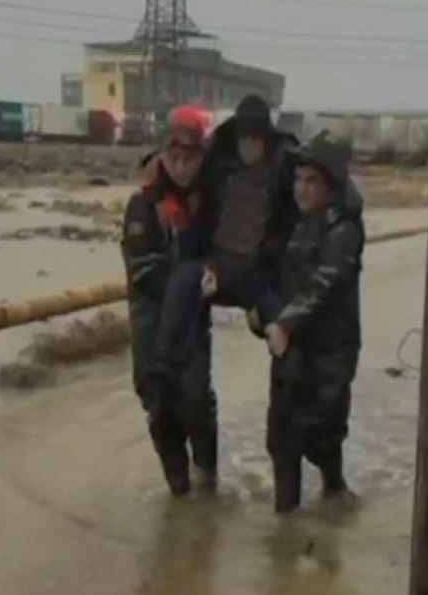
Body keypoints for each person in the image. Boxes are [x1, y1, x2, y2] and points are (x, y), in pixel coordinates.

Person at [153, 94, 300, 372]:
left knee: (283, 326)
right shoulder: (219, 153)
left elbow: (322, 185)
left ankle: (292, 386)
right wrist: (166, 199)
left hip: (260, 271)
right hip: (218, 263)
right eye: (245, 139)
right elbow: (170, 169)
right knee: (182, 282)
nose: (249, 147)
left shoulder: (285, 161)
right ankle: (163, 362)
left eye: (255, 140)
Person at [259, 136, 364, 514]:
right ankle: (285, 522)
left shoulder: (344, 230)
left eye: (311, 181)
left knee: (321, 434)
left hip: (330, 350)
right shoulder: (295, 224)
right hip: (292, 348)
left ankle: (335, 495)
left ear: (330, 185)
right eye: (298, 179)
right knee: (281, 437)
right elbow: (270, 276)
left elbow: (323, 283)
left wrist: (285, 324)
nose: (301, 189)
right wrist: (263, 314)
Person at [121, 104, 219, 496]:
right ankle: (178, 487)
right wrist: (190, 277)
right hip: (151, 322)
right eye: (173, 156)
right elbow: (142, 271)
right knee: (159, 404)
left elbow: (226, 249)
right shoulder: (143, 205)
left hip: (193, 323)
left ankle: (208, 479)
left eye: (189, 157)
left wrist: (216, 274)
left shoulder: (209, 202)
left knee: (195, 400)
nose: (181, 166)